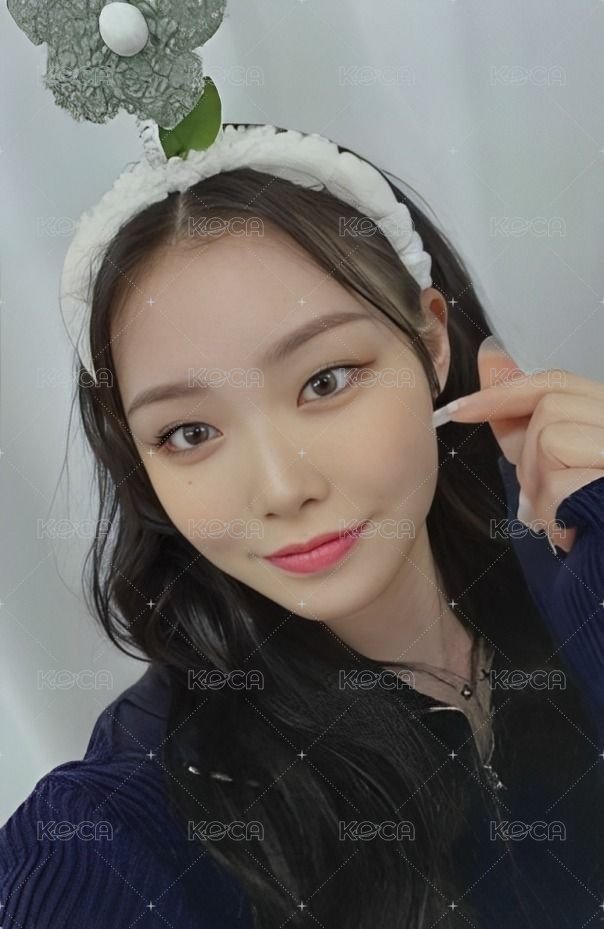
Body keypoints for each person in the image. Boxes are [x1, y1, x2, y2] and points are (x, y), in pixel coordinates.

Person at [1, 122, 603, 929]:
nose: (282, 489)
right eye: (189, 432)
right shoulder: (139, 808)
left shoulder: (569, 563)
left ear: (430, 340)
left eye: (325, 381)